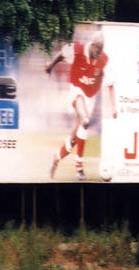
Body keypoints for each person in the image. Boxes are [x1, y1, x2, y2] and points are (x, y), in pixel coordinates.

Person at [45, 31, 117, 182]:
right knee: (85, 120)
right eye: (97, 50)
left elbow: (110, 85)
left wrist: (114, 106)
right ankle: (79, 167)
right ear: (92, 45)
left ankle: (55, 160)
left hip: (89, 98)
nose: (98, 54)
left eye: (100, 51)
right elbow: (62, 54)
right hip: (77, 92)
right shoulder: (78, 50)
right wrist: (51, 66)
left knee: (73, 140)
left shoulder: (104, 60)